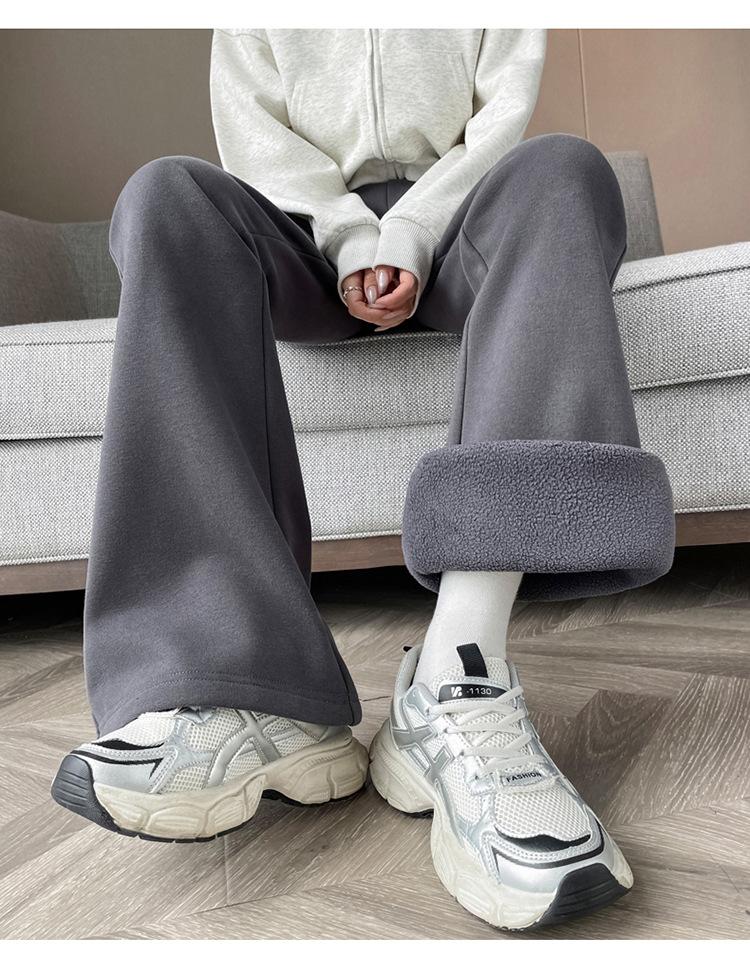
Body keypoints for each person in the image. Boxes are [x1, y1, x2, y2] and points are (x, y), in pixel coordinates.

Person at [51, 29, 674, 930]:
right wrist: (349, 236)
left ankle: (458, 674)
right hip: (300, 235)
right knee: (167, 194)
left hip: (463, 219)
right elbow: (255, 133)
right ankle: (248, 690)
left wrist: (411, 232)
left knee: (565, 169)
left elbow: (500, 115)